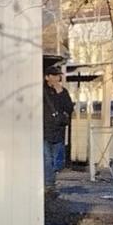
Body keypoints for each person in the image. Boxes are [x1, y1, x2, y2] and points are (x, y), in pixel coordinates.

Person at [43, 63, 75, 191]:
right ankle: (49, 184)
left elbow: (69, 108)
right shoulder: (42, 91)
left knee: (57, 160)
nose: (57, 78)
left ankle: (50, 180)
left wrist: (60, 93)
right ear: (47, 77)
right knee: (47, 158)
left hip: (58, 130)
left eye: (58, 76)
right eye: (54, 75)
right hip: (44, 130)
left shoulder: (62, 91)